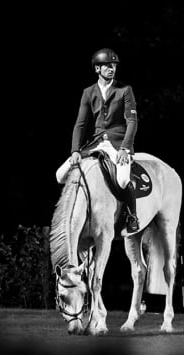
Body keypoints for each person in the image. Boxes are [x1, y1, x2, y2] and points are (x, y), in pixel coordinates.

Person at [55, 47, 140, 233]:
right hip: (95, 144)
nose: (112, 68)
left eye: (114, 66)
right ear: (97, 69)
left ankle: (132, 215)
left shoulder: (125, 90)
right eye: (107, 66)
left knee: (124, 178)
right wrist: (75, 150)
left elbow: (132, 121)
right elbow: (80, 124)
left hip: (118, 144)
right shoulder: (88, 92)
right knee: (60, 175)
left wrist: (125, 148)